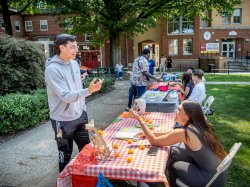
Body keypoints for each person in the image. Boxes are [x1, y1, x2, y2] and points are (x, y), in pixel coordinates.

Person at [129, 101, 228, 187]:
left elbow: (154, 141)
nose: (176, 111)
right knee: (173, 151)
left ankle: (161, 182)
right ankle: (151, 180)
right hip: (219, 175)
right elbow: (171, 134)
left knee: (173, 164)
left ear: (188, 116)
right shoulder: (199, 126)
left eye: (179, 110)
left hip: (209, 180)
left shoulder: (185, 133)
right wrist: (148, 133)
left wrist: (140, 120)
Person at [44, 33, 104, 172]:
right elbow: (65, 96)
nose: (76, 50)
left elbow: (77, 87)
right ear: (61, 47)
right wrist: (88, 91)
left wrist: (83, 109)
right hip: (62, 121)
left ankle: (85, 178)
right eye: (73, 47)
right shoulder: (52, 70)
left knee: (87, 149)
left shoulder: (74, 63)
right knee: (65, 155)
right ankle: (65, 182)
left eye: (76, 47)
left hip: (80, 116)